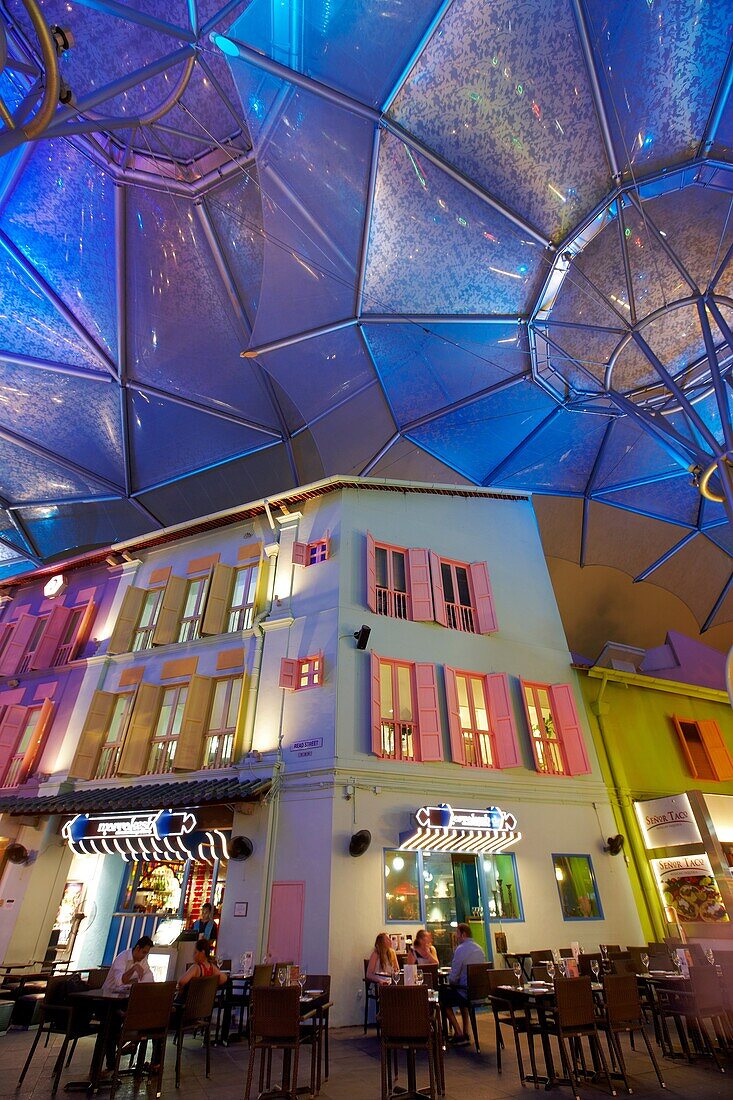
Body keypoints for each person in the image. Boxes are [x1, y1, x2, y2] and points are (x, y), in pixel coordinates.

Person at [102, 936, 155, 1071]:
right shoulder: (122, 958)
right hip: (108, 1000)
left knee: (144, 1015)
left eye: (146, 953)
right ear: (137, 948)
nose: (144, 956)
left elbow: (148, 977)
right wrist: (133, 969)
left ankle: (131, 1042)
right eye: (143, 952)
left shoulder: (143, 961)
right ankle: (112, 1059)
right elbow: (120, 981)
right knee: (114, 1021)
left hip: (125, 999)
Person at [438, 923, 485, 1045]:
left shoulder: (460, 950)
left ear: (463, 934)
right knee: (460, 996)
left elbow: (453, 978)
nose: (456, 937)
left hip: (465, 992)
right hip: (478, 993)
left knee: (442, 998)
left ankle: (458, 1033)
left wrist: (450, 980)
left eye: (457, 934)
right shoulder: (480, 949)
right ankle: (466, 1031)